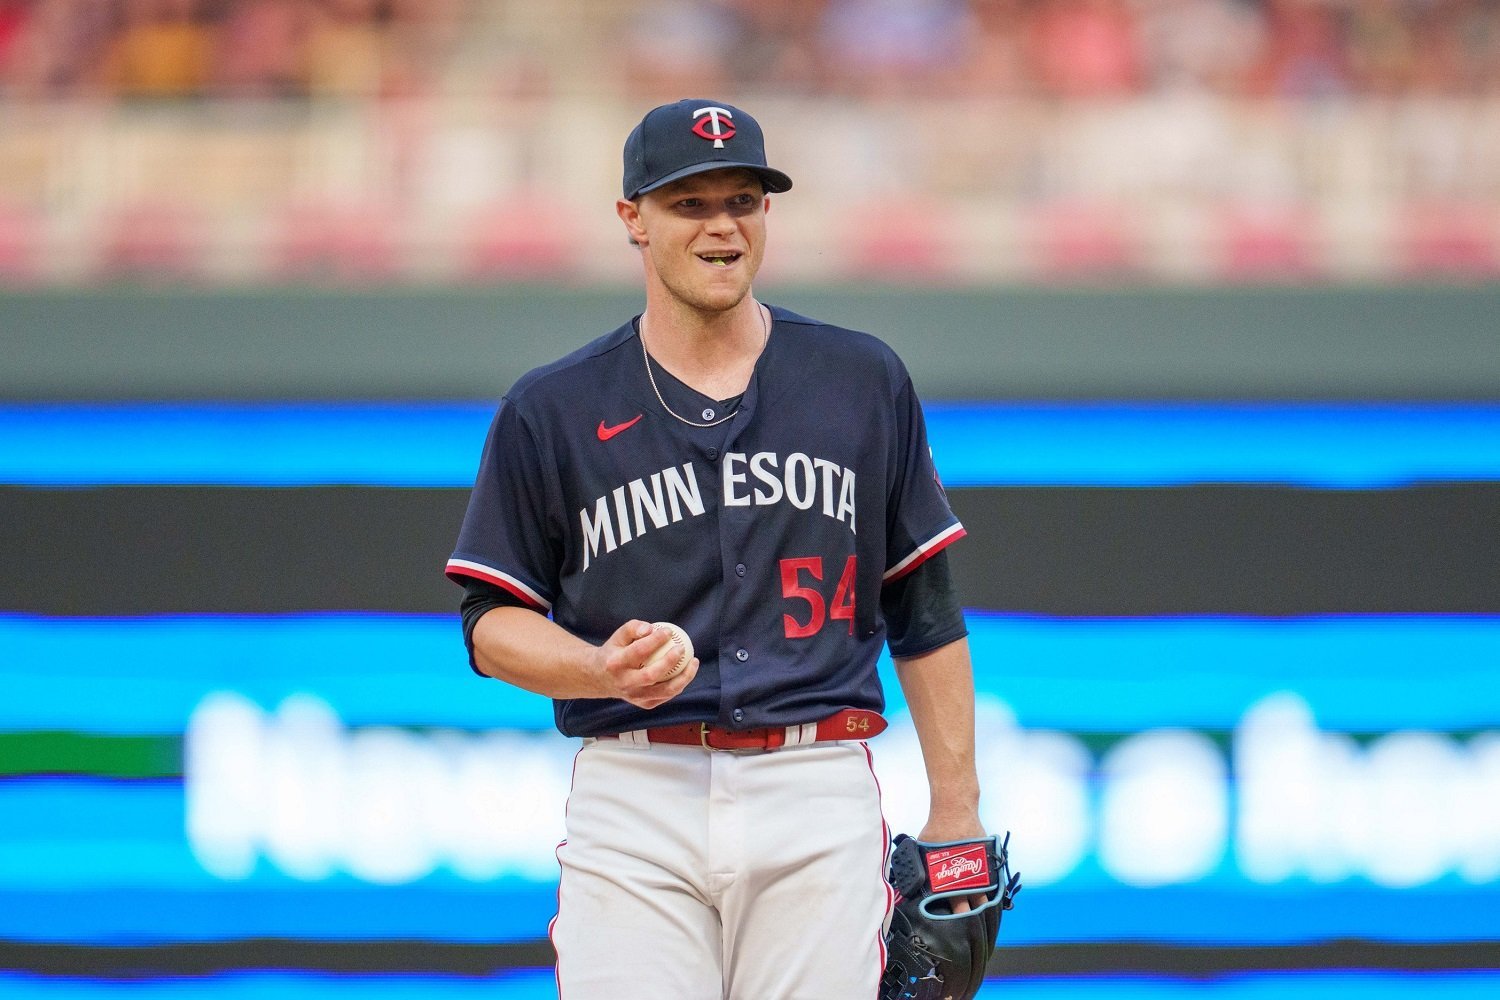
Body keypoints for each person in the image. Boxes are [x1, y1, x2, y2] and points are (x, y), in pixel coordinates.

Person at [447, 98, 988, 999]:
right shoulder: (552, 408)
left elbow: (924, 608)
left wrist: (958, 815)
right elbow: (490, 622)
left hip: (814, 785)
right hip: (636, 788)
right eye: (688, 203)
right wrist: (597, 668)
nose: (721, 226)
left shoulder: (860, 379)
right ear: (633, 219)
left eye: (742, 200)